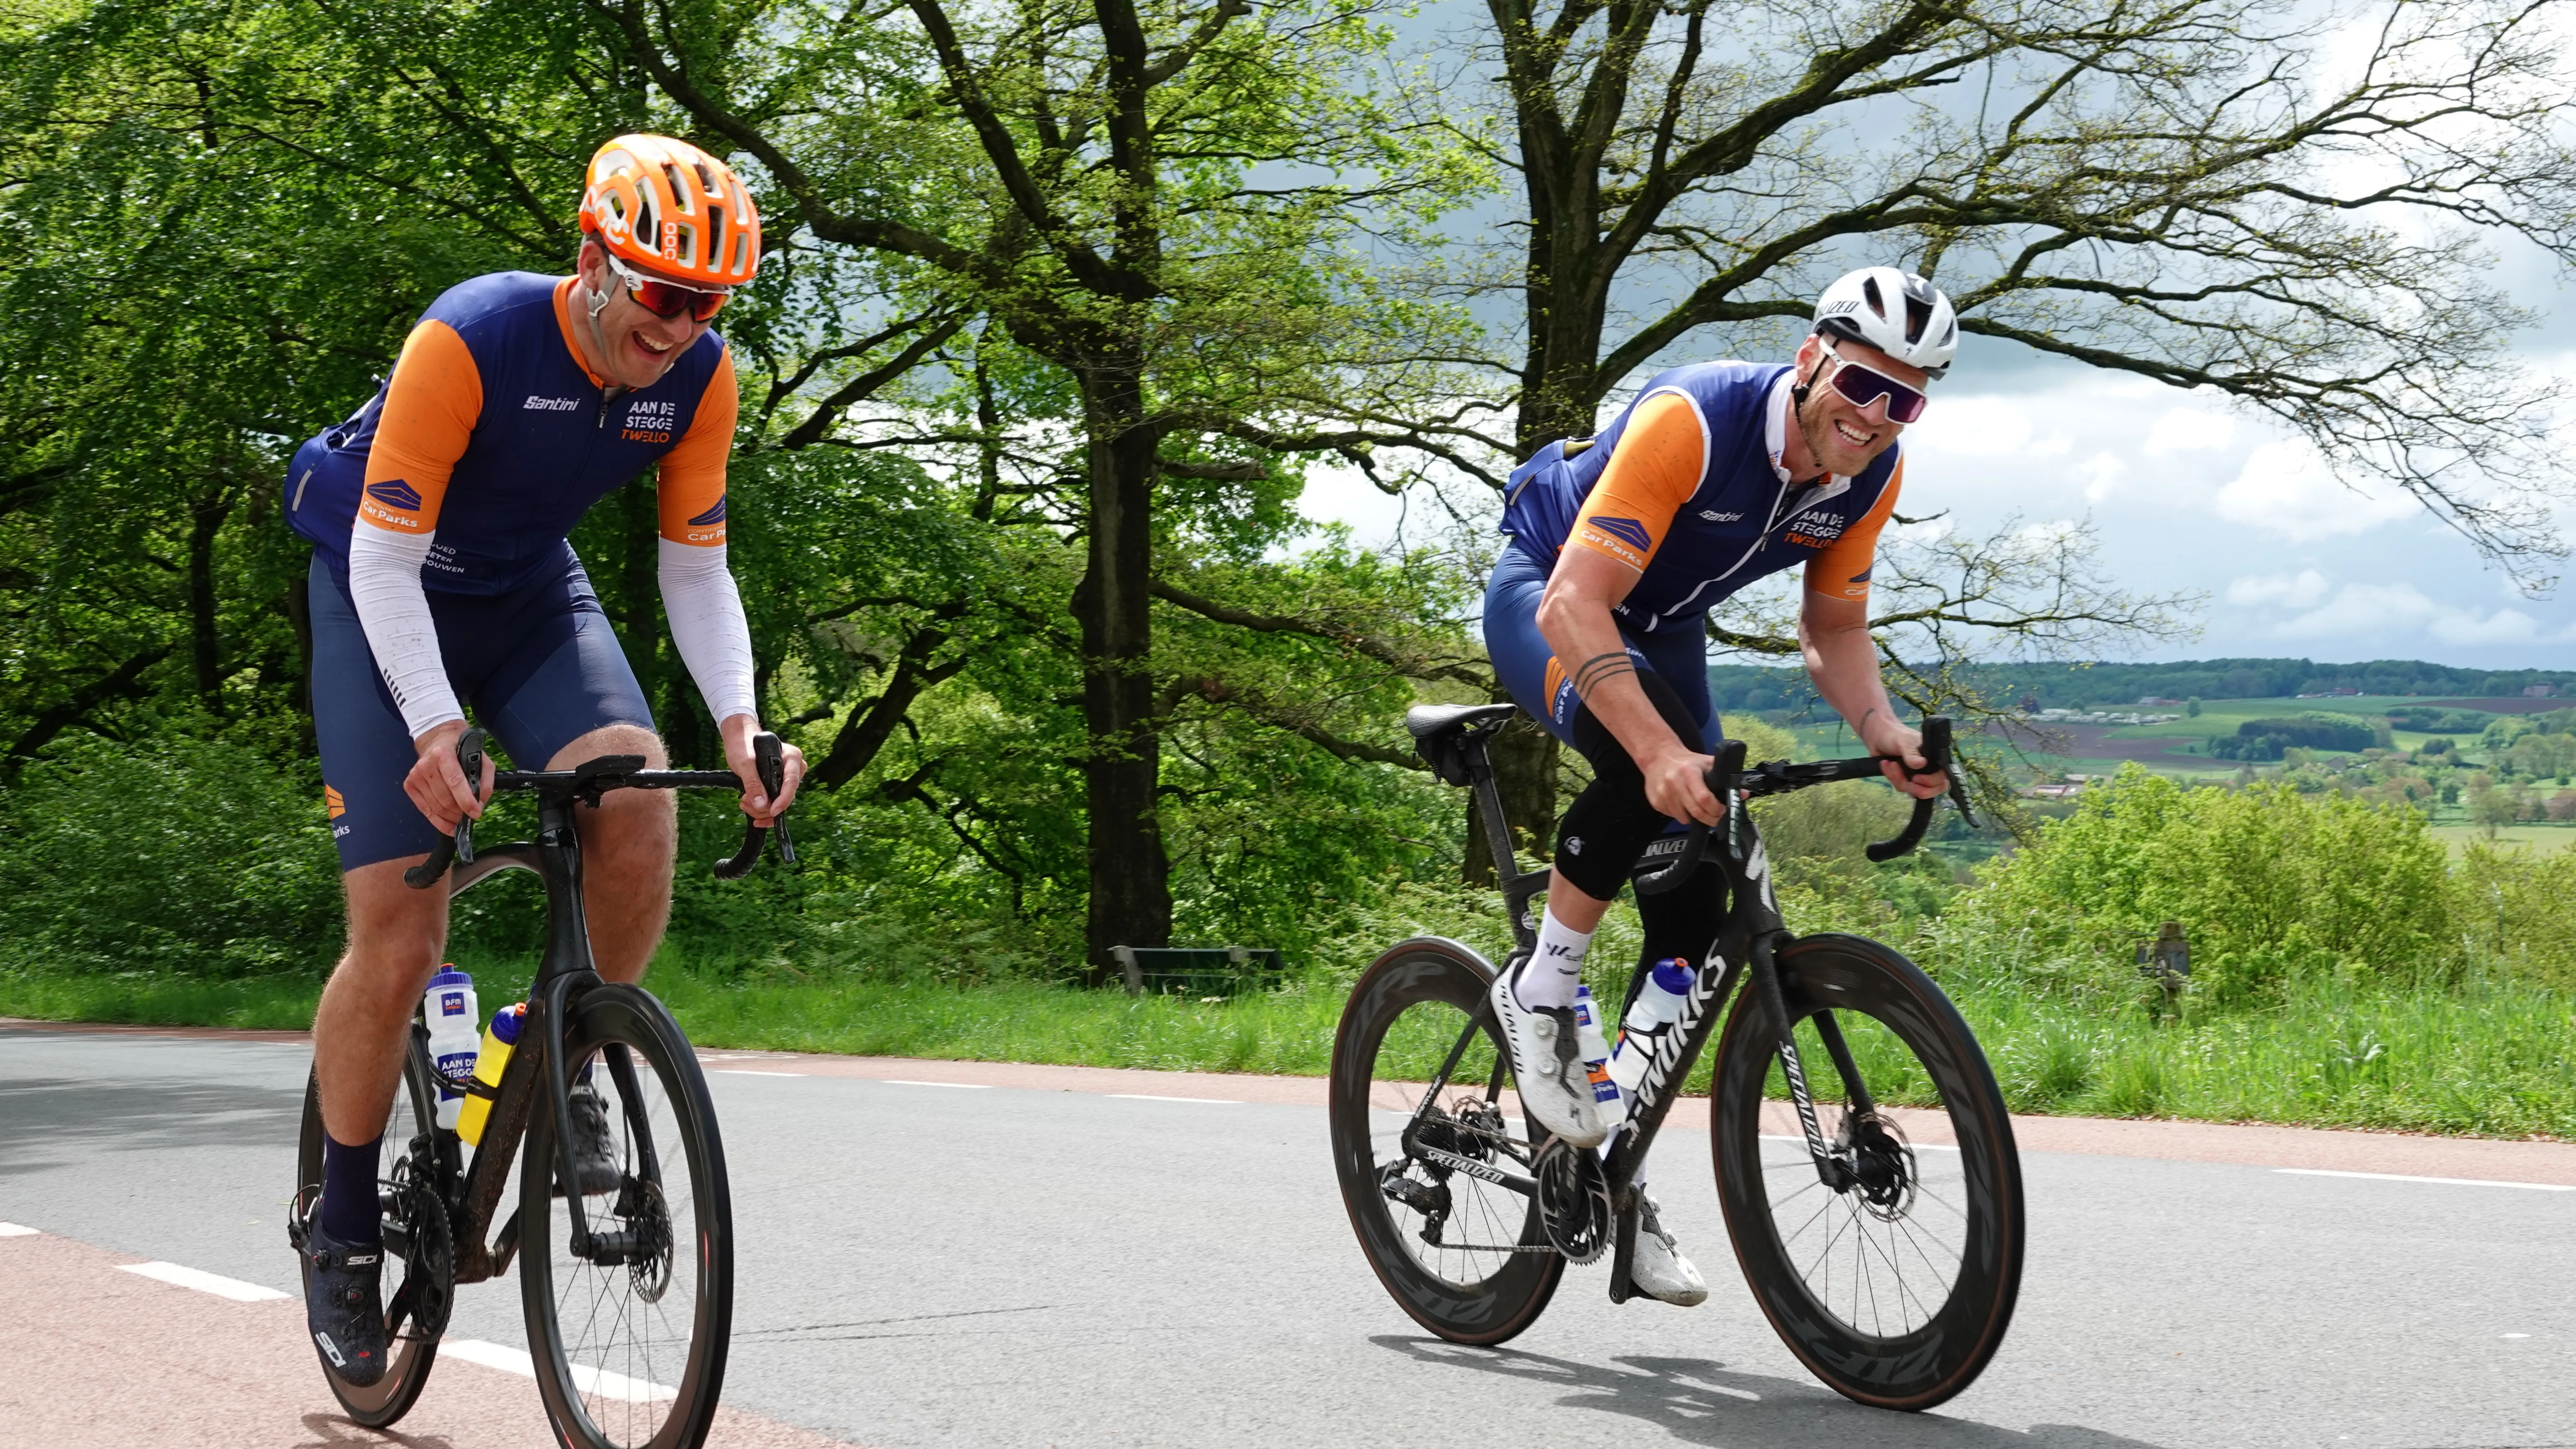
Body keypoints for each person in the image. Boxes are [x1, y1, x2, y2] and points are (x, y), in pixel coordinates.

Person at [280, 135, 806, 1383]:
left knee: (637, 796)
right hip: (379, 587)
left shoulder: (699, 377)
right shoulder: (472, 338)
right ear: (593, 262)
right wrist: (429, 723)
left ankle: (553, 1048)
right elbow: (385, 560)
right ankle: (343, 1221)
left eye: (708, 304)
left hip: (523, 595)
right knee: (399, 936)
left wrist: (741, 725)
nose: (680, 327)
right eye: (663, 295)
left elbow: (695, 566)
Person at [1481, 267, 1958, 1306]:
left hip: (1663, 625)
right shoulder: (1692, 419)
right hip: (1552, 588)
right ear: (1809, 361)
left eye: (1905, 400)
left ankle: (1617, 1172)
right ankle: (1544, 988)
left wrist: (1880, 730)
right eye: (1860, 384)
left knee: (1698, 885)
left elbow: (1832, 628)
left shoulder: (1873, 477)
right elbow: (1575, 603)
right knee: (1646, 767)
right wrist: (1655, 751)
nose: (1875, 416)